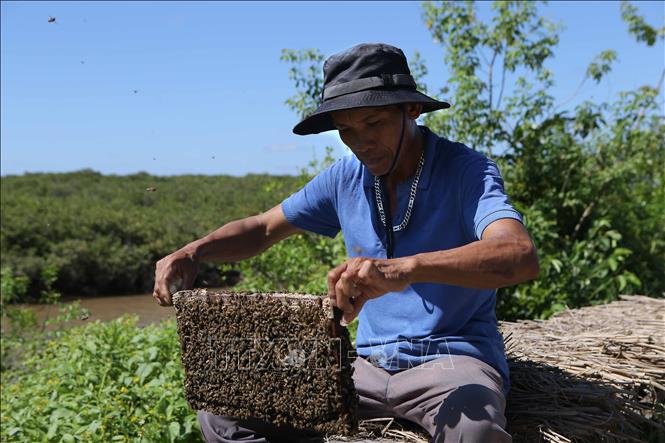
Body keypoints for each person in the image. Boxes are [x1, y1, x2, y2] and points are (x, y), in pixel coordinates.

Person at [153, 43, 539, 443]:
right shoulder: (345, 177)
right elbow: (264, 227)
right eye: (348, 130)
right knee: (222, 416)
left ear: (412, 110)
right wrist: (194, 250)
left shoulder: (467, 171)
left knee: (474, 431)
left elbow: (518, 254)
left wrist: (403, 269)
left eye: (373, 123)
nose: (361, 142)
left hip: (451, 363)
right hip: (365, 366)